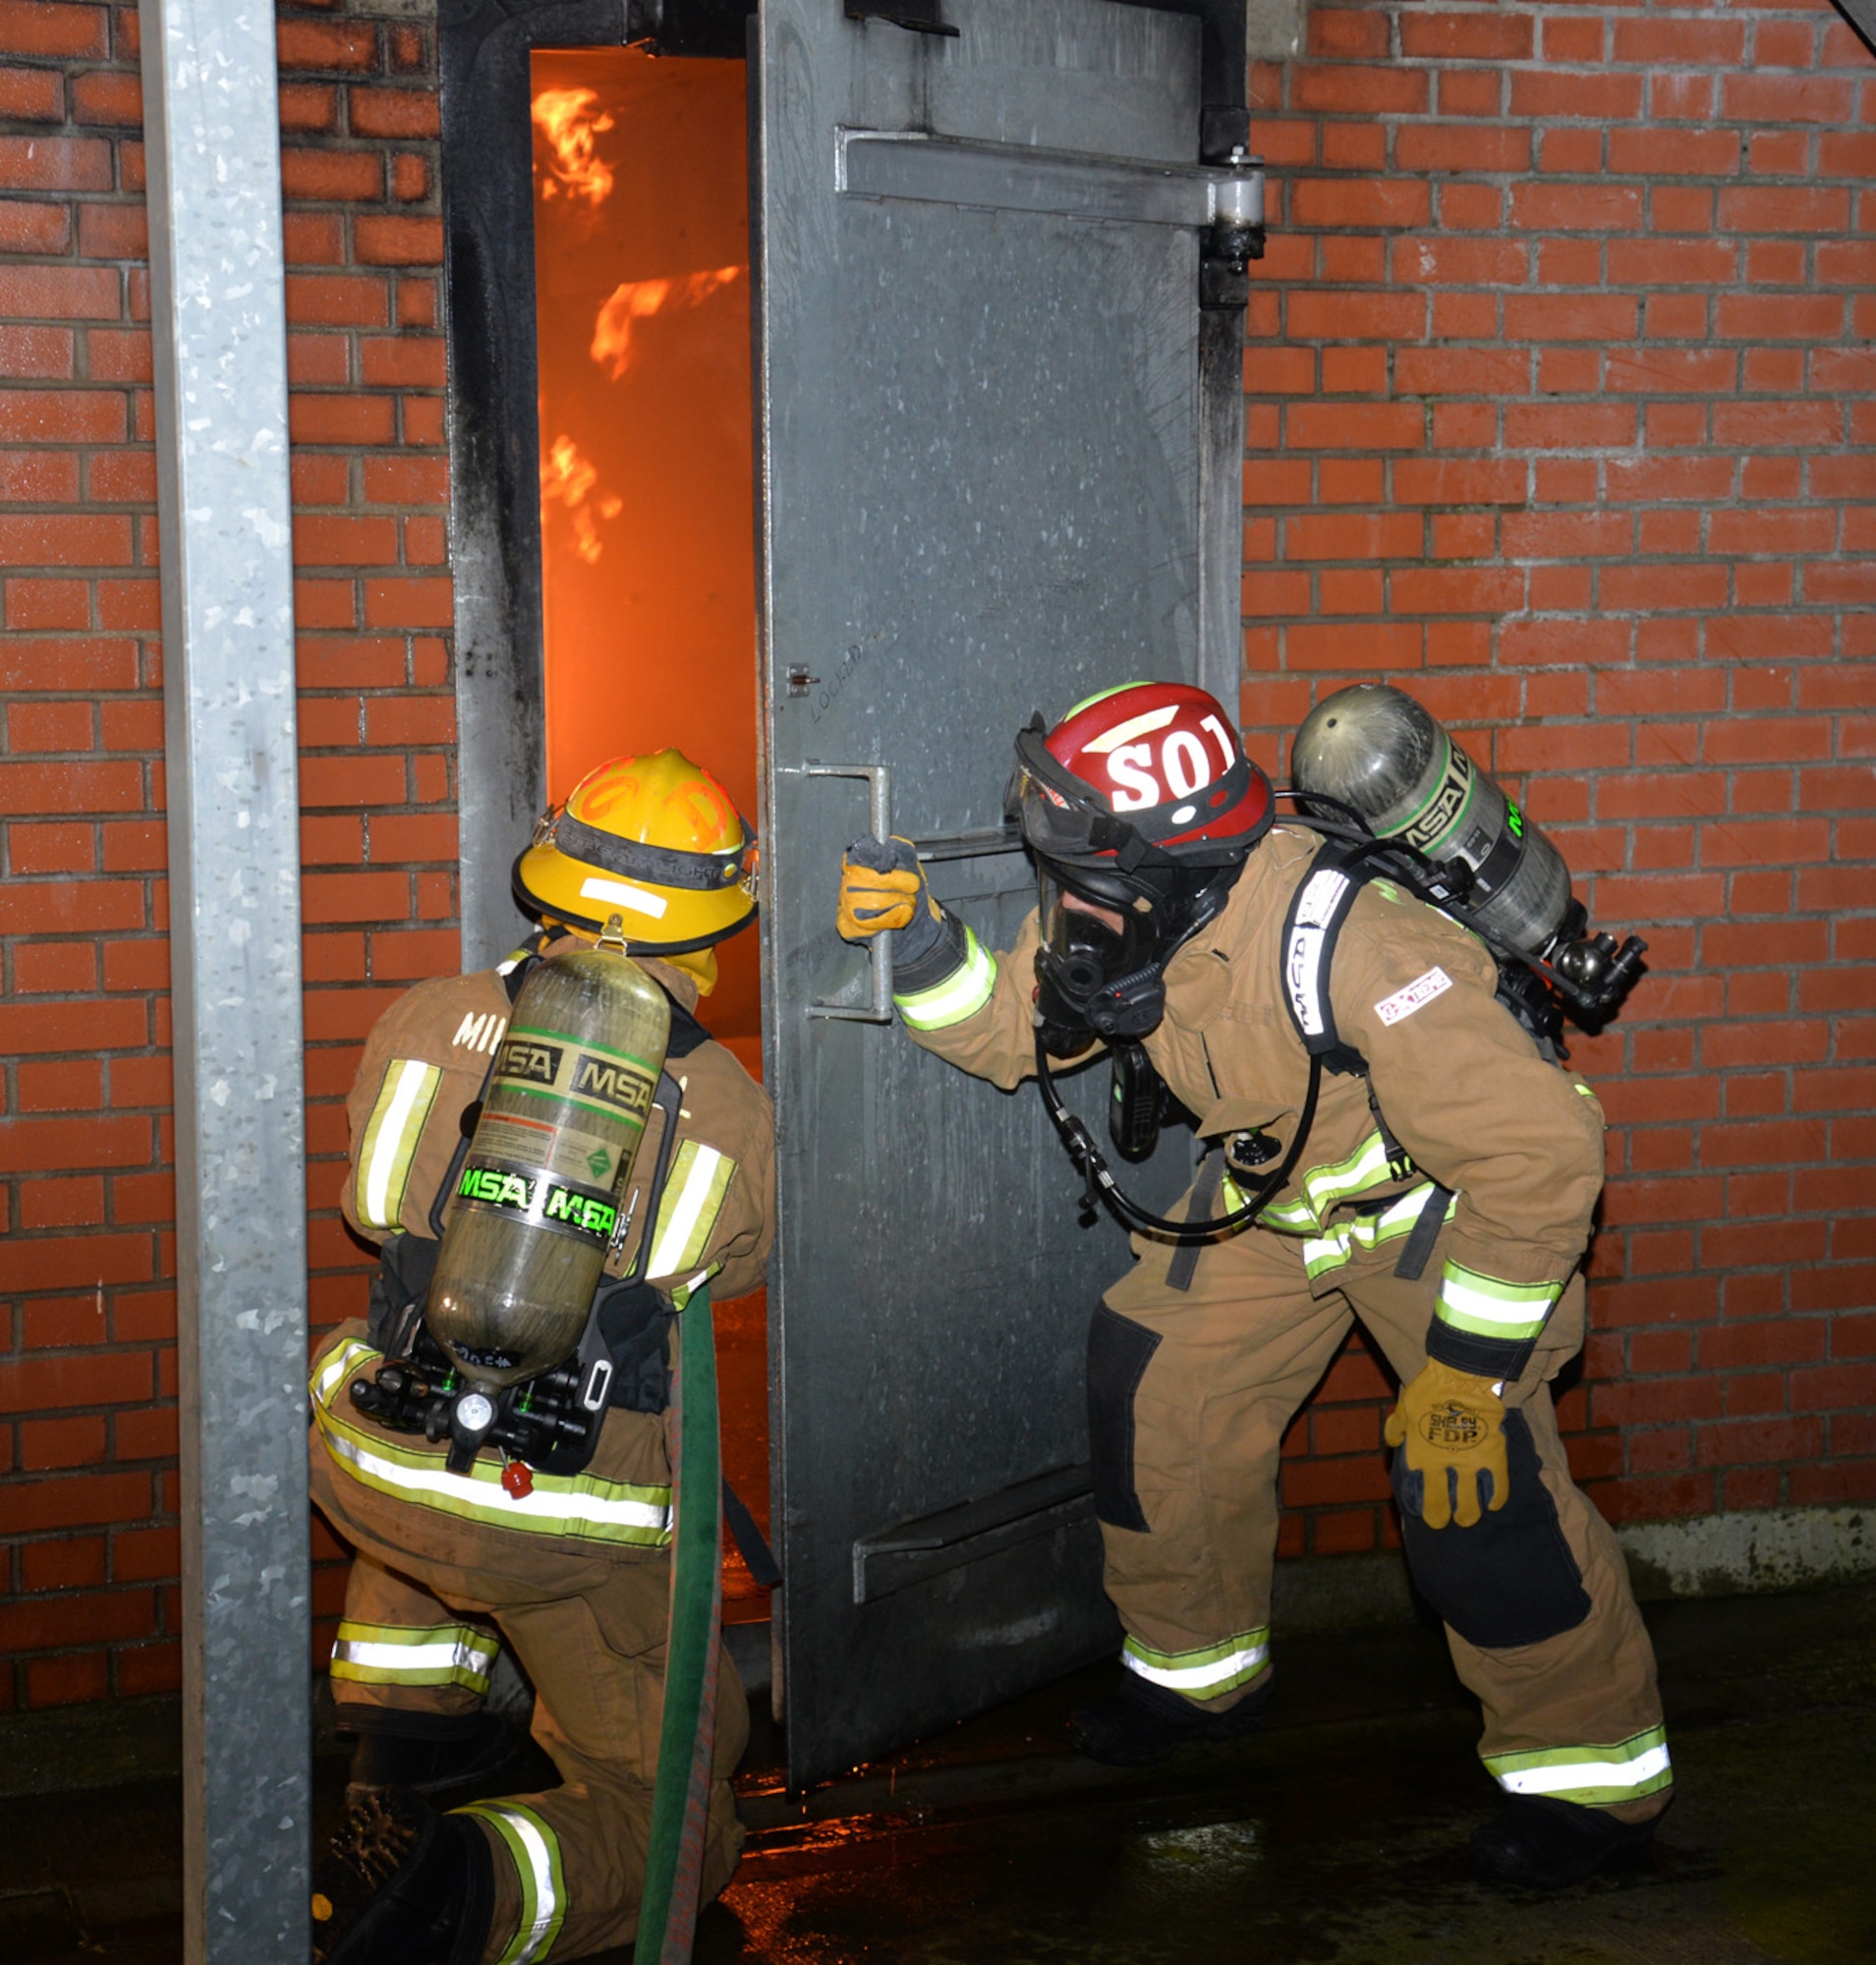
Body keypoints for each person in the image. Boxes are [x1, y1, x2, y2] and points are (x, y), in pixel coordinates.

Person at [835, 680, 1671, 1890]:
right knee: (1156, 1383)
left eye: (1074, 851)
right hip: (1275, 1202)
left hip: (1435, 1209)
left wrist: (1468, 1373)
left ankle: (1592, 1784)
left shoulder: (1361, 937)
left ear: (1161, 851)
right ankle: (1199, 1678)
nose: (1059, 886)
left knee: (1468, 1481)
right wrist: (917, 939)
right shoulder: (1128, 897)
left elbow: (1540, 1160)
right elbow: (1018, 1029)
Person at [309, 748, 773, 1965]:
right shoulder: (719, 1097)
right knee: (673, 1804)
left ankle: (387, 1786)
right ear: (715, 915)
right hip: (560, 1511)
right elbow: (715, 1266)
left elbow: (371, 1206)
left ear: (551, 877)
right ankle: (460, 1898)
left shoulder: (425, 1011)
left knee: (424, 1563)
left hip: (375, 1458)